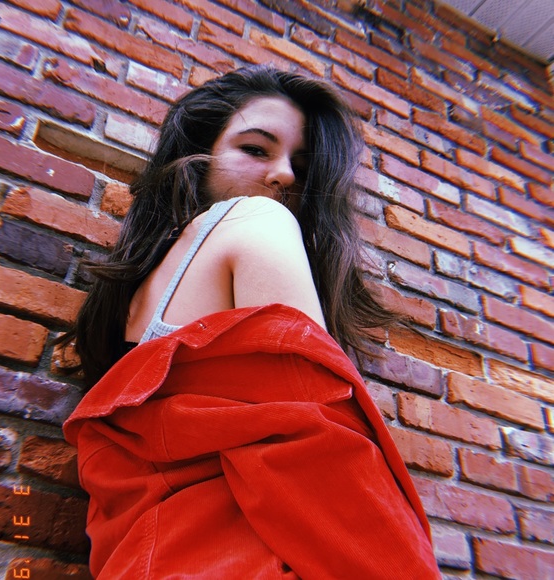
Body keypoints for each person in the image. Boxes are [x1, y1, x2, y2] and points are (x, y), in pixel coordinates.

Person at [63, 65, 441, 578]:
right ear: (200, 154)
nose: (285, 176)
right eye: (256, 149)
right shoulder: (259, 218)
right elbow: (320, 446)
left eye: (300, 167)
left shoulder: (136, 303)